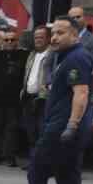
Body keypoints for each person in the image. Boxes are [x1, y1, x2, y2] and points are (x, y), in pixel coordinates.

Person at [15, 16, 93, 184]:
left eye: (61, 33)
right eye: (54, 33)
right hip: (67, 127)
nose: (55, 37)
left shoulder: (76, 58)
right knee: (68, 178)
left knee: (36, 173)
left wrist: (71, 125)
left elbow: (81, 93)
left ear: (75, 34)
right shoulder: (65, 56)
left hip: (61, 129)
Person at [0, 30, 28, 167]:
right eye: (6, 40)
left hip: (14, 100)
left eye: (12, 40)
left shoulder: (24, 56)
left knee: (11, 129)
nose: (9, 42)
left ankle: (9, 156)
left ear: (17, 42)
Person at [21, 26, 53, 159]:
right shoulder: (32, 54)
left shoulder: (52, 55)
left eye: (41, 37)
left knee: (42, 131)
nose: (38, 40)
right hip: (28, 97)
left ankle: (41, 161)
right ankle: (33, 160)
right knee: (31, 131)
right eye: (36, 37)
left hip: (42, 98)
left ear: (48, 39)